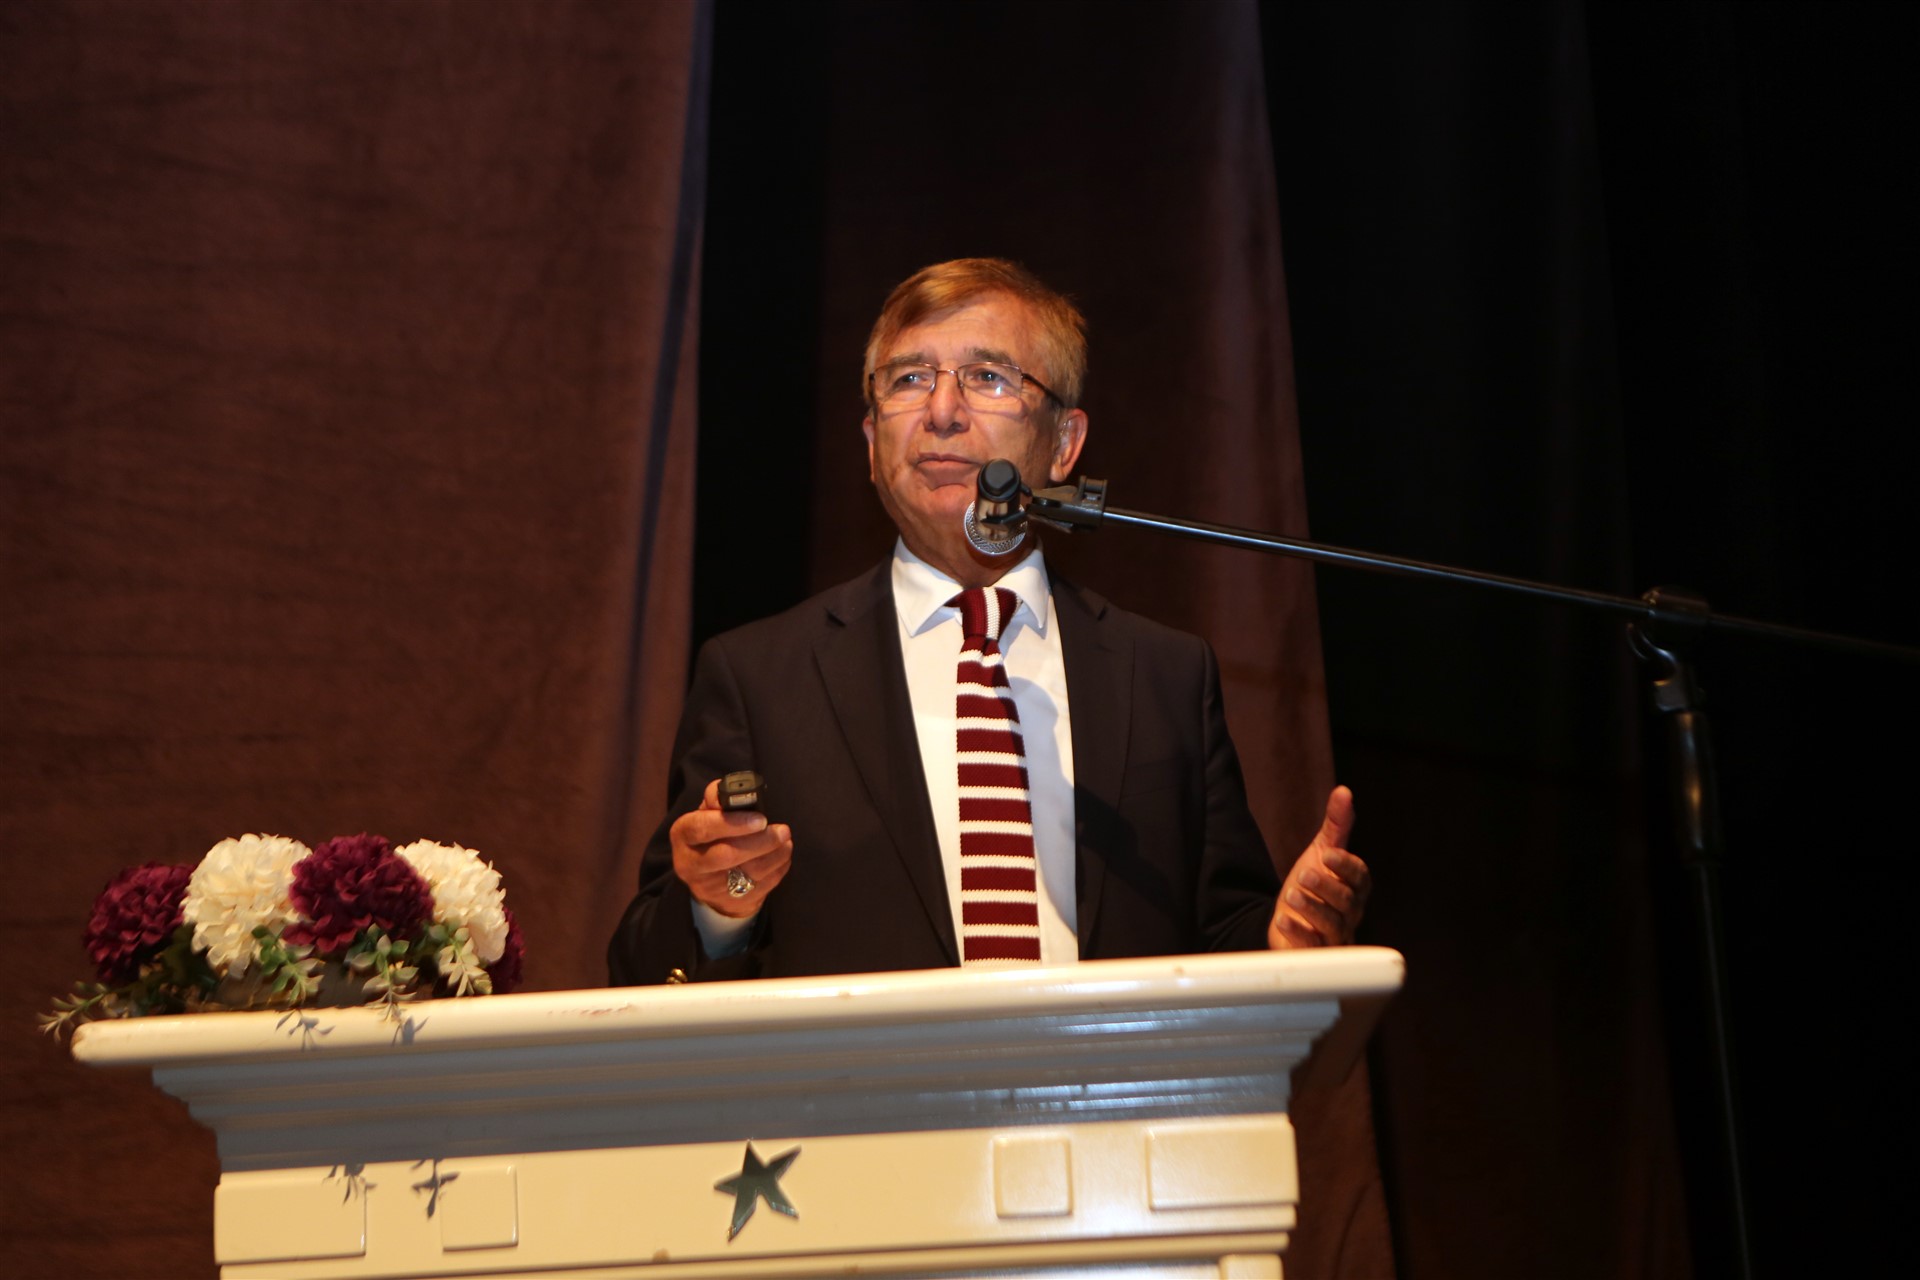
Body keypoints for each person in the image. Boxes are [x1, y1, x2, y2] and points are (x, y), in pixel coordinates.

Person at [608, 258, 1369, 985]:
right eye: (910, 379)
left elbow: (1226, 938)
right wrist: (723, 903)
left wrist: (1287, 943)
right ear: (871, 445)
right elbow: (645, 965)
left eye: (988, 377)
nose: (942, 411)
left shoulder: (1166, 675)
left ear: (1064, 444)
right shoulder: (760, 678)